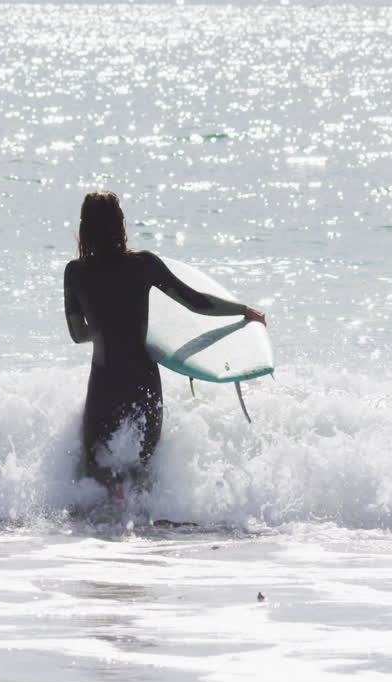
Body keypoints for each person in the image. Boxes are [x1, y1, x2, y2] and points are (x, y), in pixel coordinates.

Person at [63, 191, 266, 495]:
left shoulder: (75, 273)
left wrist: (106, 326)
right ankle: (150, 530)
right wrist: (242, 310)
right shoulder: (144, 264)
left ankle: (100, 534)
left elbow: (77, 334)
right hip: (141, 380)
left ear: (85, 228)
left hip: (104, 382)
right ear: (120, 223)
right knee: (144, 470)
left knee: (95, 470)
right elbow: (195, 302)